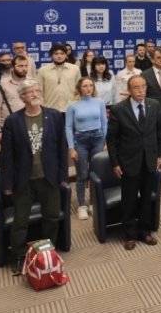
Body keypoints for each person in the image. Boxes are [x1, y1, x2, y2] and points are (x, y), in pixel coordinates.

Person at [0, 80, 68, 274]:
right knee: (20, 221)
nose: (35, 94)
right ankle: (19, 255)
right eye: (30, 92)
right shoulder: (13, 121)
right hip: (23, 180)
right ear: (22, 97)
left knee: (51, 217)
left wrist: (62, 174)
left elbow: (61, 147)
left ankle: (48, 253)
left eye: (37, 90)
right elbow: (7, 156)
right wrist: (7, 183)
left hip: (49, 177)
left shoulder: (54, 116)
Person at [106, 75, 161, 251]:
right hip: (128, 162)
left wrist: (159, 155)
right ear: (129, 90)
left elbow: (160, 131)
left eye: (143, 86)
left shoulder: (155, 105)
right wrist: (115, 163)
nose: (140, 90)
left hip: (149, 160)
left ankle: (145, 231)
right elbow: (112, 139)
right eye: (136, 87)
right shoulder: (119, 109)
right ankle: (130, 234)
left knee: (147, 198)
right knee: (129, 199)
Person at [65, 77, 107, 220]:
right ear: (79, 88)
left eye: (91, 85)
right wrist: (71, 148)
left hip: (98, 139)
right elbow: (68, 127)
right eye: (85, 86)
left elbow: (104, 123)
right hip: (80, 141)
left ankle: (93, 203)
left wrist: (104, 141)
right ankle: (82, 205)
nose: (88, 88)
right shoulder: (72, 106)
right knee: (82, 174)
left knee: (96, 174)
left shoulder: (99, 102)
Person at [37, 43, 81, 114]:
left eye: (62, 53)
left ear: (66, 55)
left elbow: (79, 90)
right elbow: (39, 91)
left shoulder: (75, 69)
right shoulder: (43, 70)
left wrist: (76, 104)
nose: (59, 56)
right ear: (51, 55)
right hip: (50, 109)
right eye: (56, 54)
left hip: (70, 109)